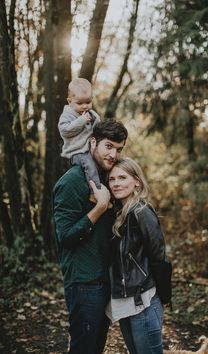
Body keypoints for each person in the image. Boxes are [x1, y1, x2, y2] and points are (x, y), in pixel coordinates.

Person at [53, 120, 128, 354]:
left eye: (118, 149)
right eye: (109, 146)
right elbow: (64, 236)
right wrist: (98, 209)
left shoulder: (106, 179)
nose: (113, 154)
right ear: (93, 142)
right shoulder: (71, 182)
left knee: (95, 348)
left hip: (104, 280)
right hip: (84, 282)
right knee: (83, 348)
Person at [106, 157, 166, 354]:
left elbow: (159, 258)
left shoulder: (142, 212)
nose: (116, 183)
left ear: (137, 181)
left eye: (122, 177)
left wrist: (161, 295)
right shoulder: (118, 213)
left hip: (144, 302)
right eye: (112, 179)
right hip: (125, 302)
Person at [58, 77, 101, 198]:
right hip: (76, 152)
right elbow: (65, 130)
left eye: (88, 102)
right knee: (89, 165)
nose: (85, 106)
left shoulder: (90, 114)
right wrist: (81, 121)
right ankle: (95, 193)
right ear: (69, 101)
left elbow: (98, 127)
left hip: (88, 149)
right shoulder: (67, 115)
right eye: (80, 103)